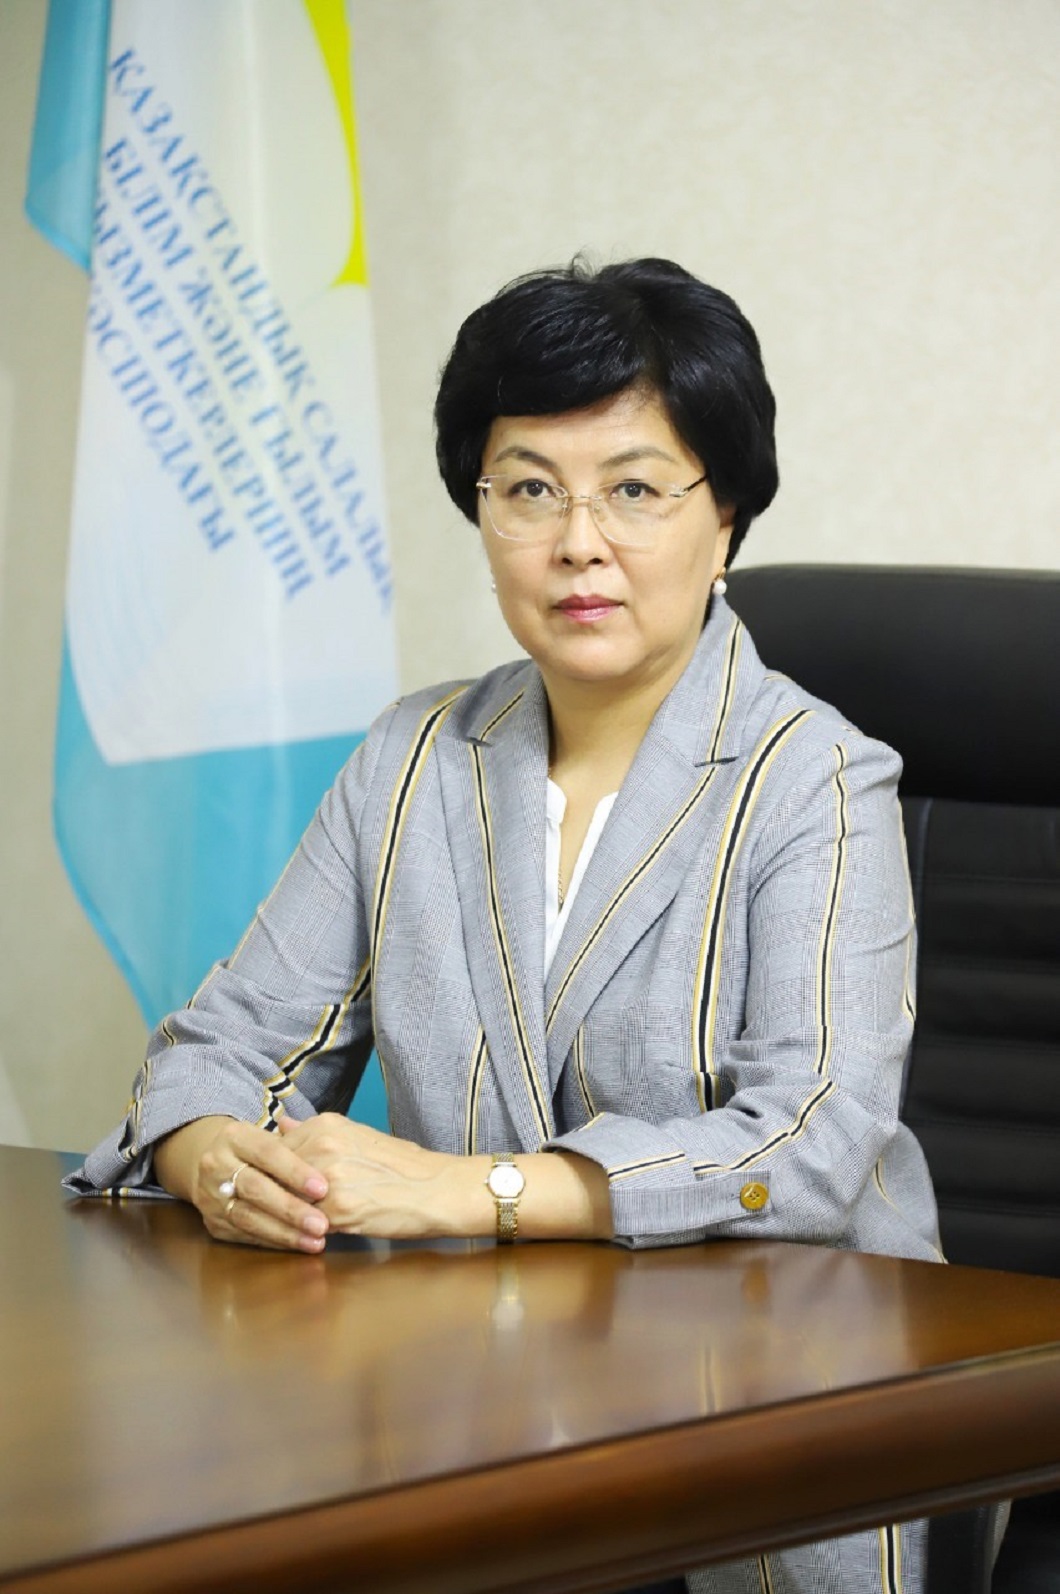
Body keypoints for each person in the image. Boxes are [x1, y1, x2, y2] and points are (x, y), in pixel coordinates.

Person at [67, 257, 942, 1593]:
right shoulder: (413, 756)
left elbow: (812, 1140)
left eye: (635, 490)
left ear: (726, 517)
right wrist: (216, 1162)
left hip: (766, 1420)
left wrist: (470, 1191)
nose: (577, 541)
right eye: (528, 488)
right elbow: (218, 1045)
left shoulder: (816, 780)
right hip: (476, 1403)